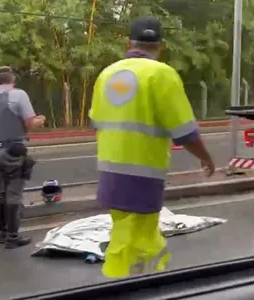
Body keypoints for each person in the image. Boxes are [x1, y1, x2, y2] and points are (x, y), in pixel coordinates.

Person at [89, 16, 215, 278]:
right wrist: (206, 158)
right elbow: (185, 132)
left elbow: (97, 122)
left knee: (126, 235)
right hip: (143, 176)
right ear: (161, 45)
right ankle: (128, 285)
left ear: (128, 43)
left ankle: (132, 280)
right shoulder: (161, 74)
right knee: (138, 244)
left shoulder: (107, 74)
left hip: (109, 174)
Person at [0, 66, 45, 249]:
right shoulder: (18, 95)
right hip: (14, 150)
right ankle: (13, 237)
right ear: (12, 80)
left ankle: (3, 234)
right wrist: (40, 120)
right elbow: (29, 123)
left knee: (0, 194)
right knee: (14, 194)